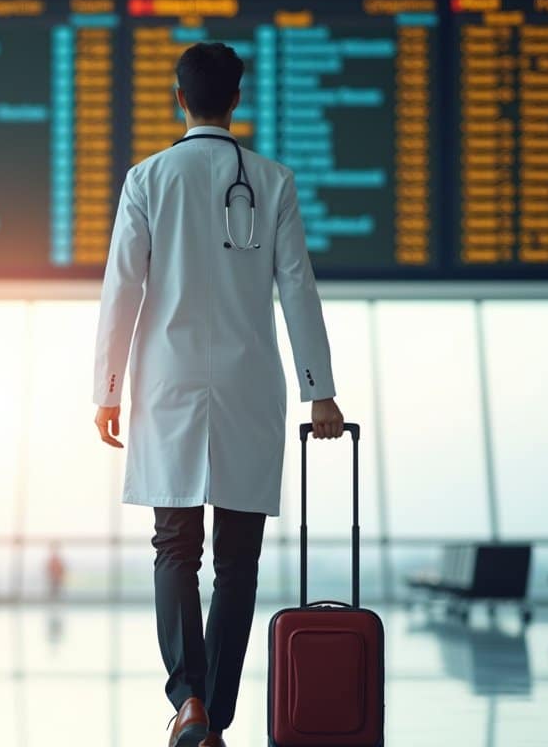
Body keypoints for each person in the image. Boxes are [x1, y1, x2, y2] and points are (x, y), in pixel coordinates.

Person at [91, 42, 346, 747]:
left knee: (174, 546)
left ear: (180, 98)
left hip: (168, 381)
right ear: (236, 99)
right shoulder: (273, 180)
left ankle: (190, 702)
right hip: (248, 383)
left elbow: (122, 288)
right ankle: (216, 717)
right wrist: (320, 392)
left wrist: (107, 389)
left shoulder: (146, 178)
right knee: (237, 560)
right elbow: (297, 286)